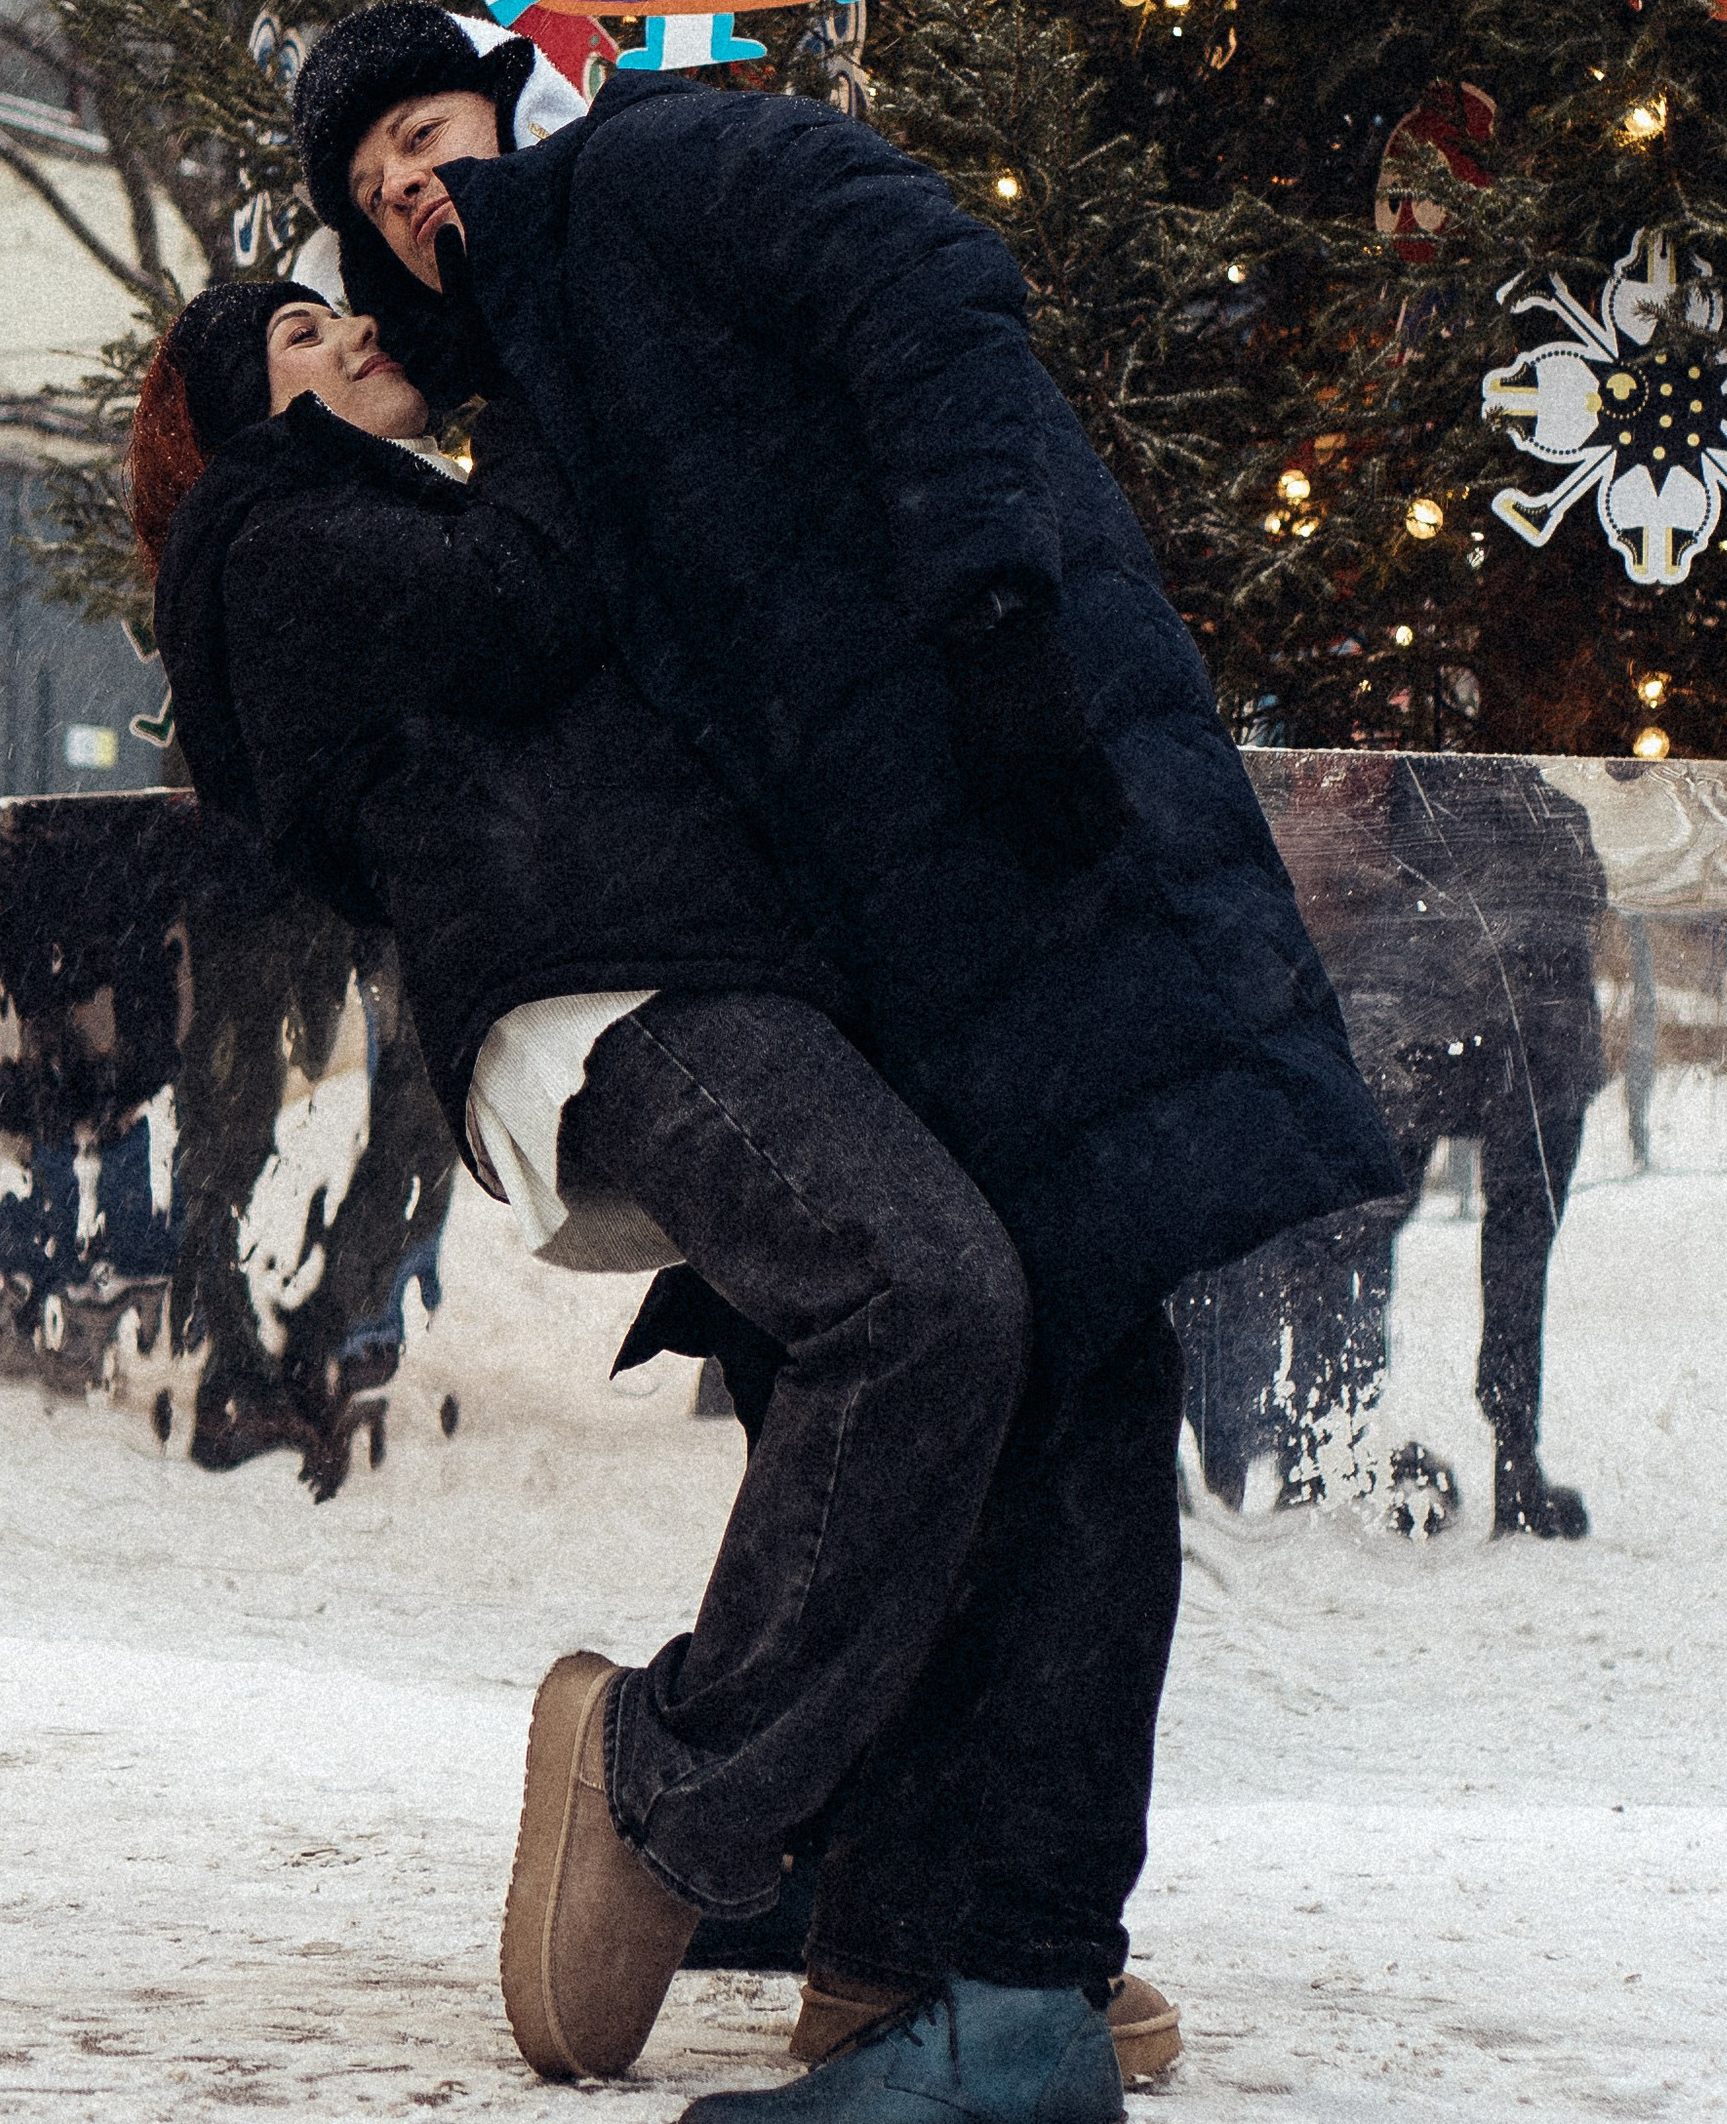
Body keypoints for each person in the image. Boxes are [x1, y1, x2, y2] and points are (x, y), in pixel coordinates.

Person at [287, 3, 1405, 2124]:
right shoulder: (546, 393)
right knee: (1022, 1364)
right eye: (371, 194)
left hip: (1033, 811)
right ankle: (936, 1952)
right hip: (913, 905)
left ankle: (1005, 1976)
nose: (410, 188)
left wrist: (993, 614)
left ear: (513, 104)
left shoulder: (655, 169)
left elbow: (926, 276)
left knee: (1069, 1359)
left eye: (424, 132)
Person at [130, 243, 1184, 2110]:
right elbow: (530, 608)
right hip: (614, 993)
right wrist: (547, 364)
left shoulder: (372, 517)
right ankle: (673, 1776)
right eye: (298, 332)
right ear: (235, 425)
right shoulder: (271, 532)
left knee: (963, 1341)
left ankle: (876, 1902)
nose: (354, 330)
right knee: (923, 1296)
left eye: (335, 306)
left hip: (712, 978)